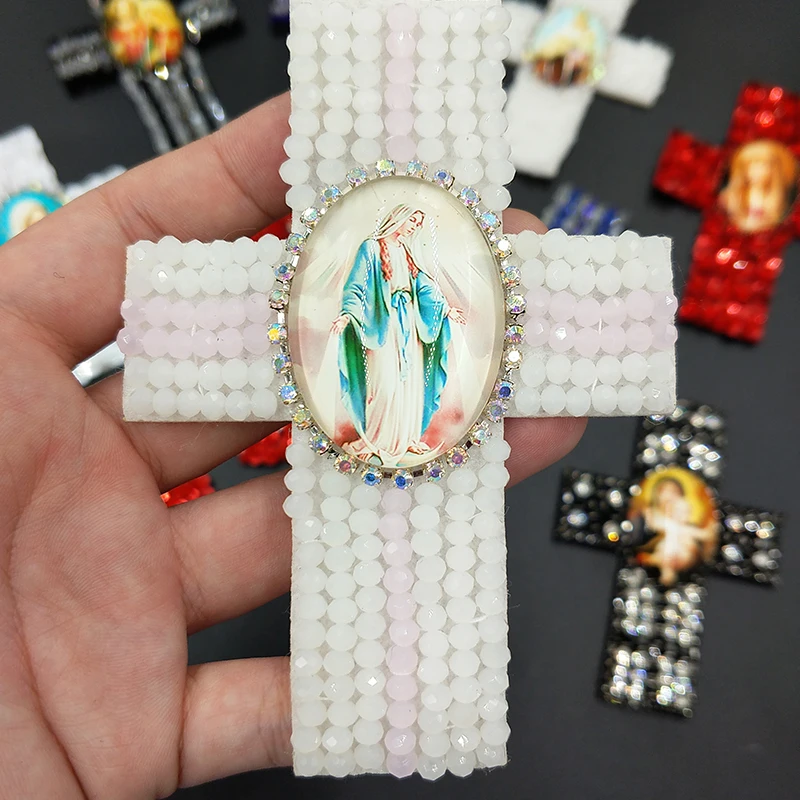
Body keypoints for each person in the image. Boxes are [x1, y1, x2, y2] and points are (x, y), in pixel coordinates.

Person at [0, 93, 585, 795]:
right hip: (367, 382)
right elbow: (352, 312)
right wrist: (360, 321)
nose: (405, 240)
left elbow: (441, 317)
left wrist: (429, 312)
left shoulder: (427, 270)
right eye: (400, 232)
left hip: (420, 384)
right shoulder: (363, 265)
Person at [331, 205, 465, 465]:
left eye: (419, 223)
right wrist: (347, 314)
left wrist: (446, 309)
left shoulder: (405, 250)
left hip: (409, 323)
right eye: (413, 220)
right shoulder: (371, 248)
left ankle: (407, 439)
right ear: (398, 217)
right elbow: (356, 286)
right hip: (383, 325)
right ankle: (376, 440)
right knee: (384, 382)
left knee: (409, 383)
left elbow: (423, 286)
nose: (415, 226)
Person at [634, 475, 719, 586]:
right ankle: (665, 569)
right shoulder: (654, 516)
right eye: (665, 491)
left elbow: (705, 538)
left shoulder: (687, 526)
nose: (669, 496)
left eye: (674, 492)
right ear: (657, 494)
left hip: (682, 558)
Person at [719, 139, 798, 233]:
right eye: (751, 163)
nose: (756, 168)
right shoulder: (734, 194)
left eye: (763, 163)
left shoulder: (776, 198)